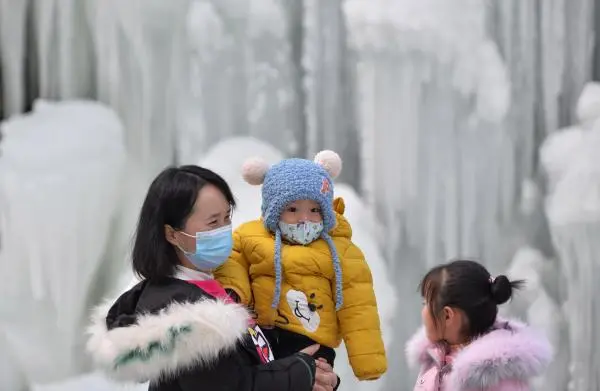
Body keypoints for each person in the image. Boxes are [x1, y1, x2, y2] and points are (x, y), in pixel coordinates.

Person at [86, 165, 339, 391]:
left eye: (227, 217)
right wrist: (299, 373)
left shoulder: (212, 285)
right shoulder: (181, 313)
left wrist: (311, 364)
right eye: (212, 222)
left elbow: (244, 360)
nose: (225, 229)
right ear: (172, 235)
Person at [214, 151, 387, 381]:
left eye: (315, 210)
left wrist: (368, 361)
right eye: (293, 209)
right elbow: (232, 262)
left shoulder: (342, 250)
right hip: (263, 336)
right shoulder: (250, 236)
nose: (304, 218)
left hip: (314, 344)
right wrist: (233, 293)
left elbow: (359, 306)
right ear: (273, 210)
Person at [406, 260, 553, 391]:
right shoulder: (437, 357)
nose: (423, 311)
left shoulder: (496, 376)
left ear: (447, 315)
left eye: (425, 304)